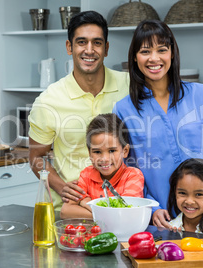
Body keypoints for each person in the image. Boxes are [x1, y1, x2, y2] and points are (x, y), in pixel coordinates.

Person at [113, 19, 203, 239]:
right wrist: (150, 208)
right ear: (135, 57)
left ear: (172, 53)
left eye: (162, 50)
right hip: (159, 223)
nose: (154, 58)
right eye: (145, 51)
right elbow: (127, 170)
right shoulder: (123, 108)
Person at [28, 11, 129, 211]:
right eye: (81, 42)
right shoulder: (48, 101)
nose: (89, 50)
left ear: (106, 48)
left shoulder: (129, 87)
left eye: (97, 43)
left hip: (121, 208)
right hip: (70, 213)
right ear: (69, 47)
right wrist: (61, 186)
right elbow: (35, 157)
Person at [60, 113, 144, 219]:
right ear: (89, 153)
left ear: (125, 151)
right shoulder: (86, 174)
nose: (104, 158)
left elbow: (123, 214)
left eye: (112, 150)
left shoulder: (133, 176)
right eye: (97, 151)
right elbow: (66, 211)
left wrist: (87, 202)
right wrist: (107, 215)